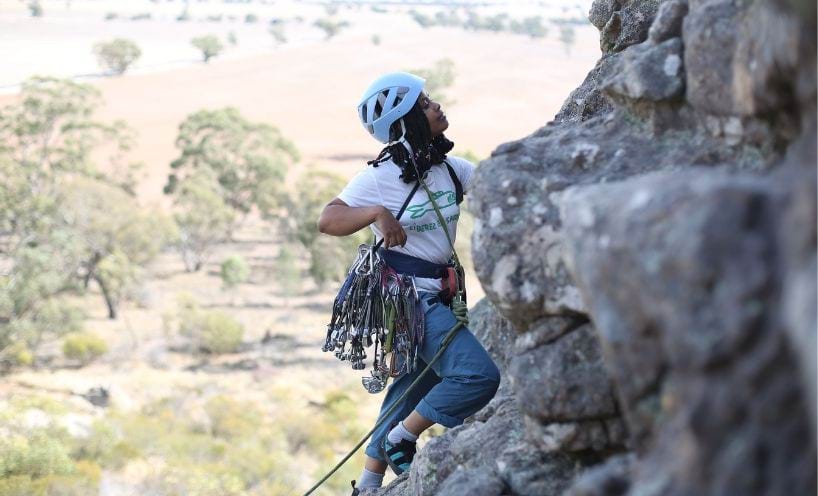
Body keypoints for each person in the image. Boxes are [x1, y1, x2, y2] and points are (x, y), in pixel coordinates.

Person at [317, 72, 501, 494]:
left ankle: (366, 484)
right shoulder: (379, 178)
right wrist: (376, 213)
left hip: (436, 294)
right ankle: (403, 437)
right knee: (477, 377)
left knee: (411, 386)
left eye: (430, 100)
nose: (435, 106)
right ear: (404, 124)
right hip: (407, 301)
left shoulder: (449, 169)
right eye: (424, 105)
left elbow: (498, 184)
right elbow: (329, 219)